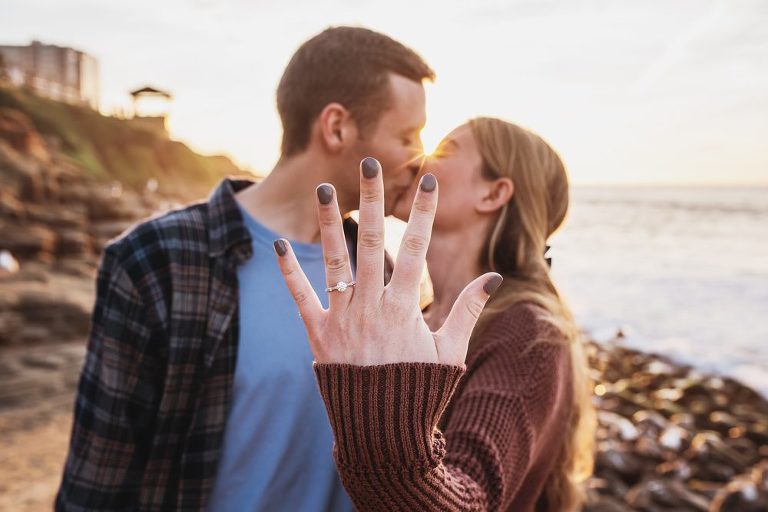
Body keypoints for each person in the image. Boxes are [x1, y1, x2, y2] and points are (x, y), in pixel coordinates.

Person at [55, 26, 434, 511]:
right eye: (407, 136)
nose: (419, 157)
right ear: (337, 127)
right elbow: (96, 484)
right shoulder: (156, 259)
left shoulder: (377, 270)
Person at [274, 118, 595, 511]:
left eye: (445, 149)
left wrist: (372, 398)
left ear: (493, 193)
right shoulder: (416, 319)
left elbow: (471, 501)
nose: (416, 159)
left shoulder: (529, 334)